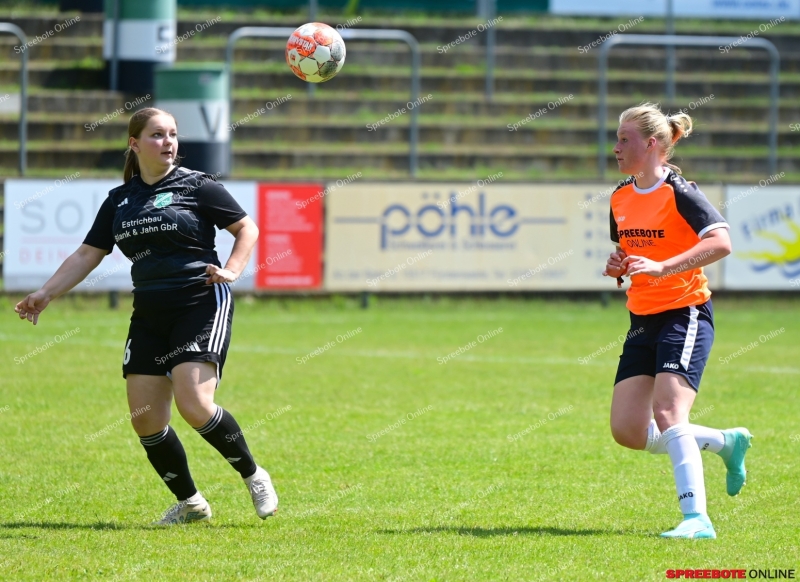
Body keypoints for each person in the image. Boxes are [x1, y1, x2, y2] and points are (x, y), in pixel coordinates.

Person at [14, 107, 278, 525]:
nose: (168, 142)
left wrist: (232, 270)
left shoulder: (199, 186)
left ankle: (253, 474)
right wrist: (47, 292)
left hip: (200, 300)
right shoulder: (121, 199)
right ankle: (191, 503)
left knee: (194, 403)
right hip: (150, 310)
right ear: (134, 145)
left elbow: (248, 229)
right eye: (157, 135)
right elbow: (88, 253)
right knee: (146, 420)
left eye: (172, 134)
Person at [602, 103, 752, 539]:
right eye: (617, 138)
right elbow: (632, 255)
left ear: (651, 145)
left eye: (624, 139)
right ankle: (724, 442)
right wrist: (619, 266)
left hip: (684, 313)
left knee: (668, 411)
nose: (616, 147)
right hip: (642, 317)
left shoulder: (679, 191)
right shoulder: (620, 197)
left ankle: (696, 520)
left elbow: (722, 242)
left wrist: (664, 268)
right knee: (627, 430)